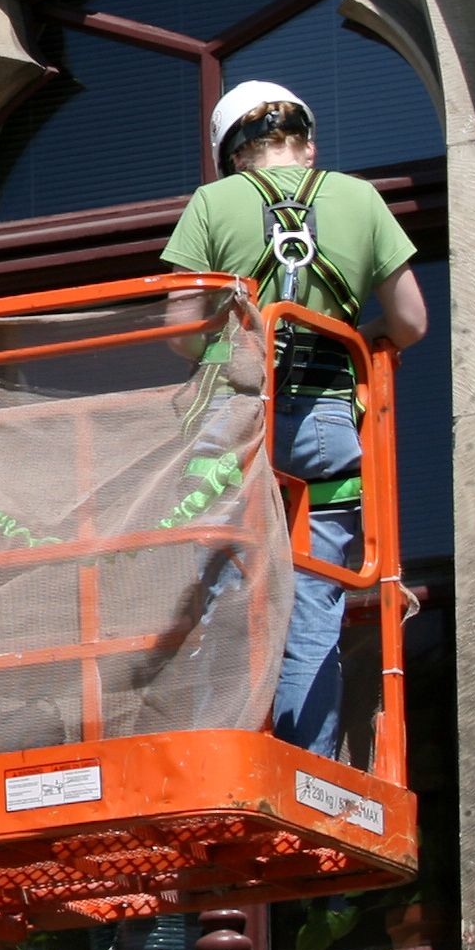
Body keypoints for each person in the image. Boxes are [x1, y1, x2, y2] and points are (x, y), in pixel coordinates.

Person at [159, 79, 428, 760]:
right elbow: (412, 322)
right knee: (315, 606)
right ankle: (309, 764)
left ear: (232, 156)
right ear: (307, 146)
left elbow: (180, 332)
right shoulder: (361, 199)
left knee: (224, 600)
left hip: (237, 424)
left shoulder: (212, 204)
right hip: (327, 428)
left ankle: (223, 755)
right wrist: (355, 337)